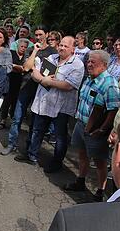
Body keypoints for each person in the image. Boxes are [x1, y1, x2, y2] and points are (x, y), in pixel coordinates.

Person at [15, 36, 84, 171]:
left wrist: (48, 82)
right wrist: (42, 80)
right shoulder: (51, 58)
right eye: (61, 45)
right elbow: (34, 72)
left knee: (60, 136)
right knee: (37, 130)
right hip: (44, 102)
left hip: (61, 107)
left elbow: (69, 85)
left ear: (73, 49)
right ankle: (31, 155)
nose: (62, 48)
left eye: (65, 46)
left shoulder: (77, 65)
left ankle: (56, 163)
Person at [62, 50, 120, 201]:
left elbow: (113, 110)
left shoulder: (110, 84)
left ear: (104, 65)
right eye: (88, 61)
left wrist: (102, 130)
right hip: (81, 124)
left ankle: (100, 191)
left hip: (95, 131)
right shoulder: (88, 79)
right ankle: (80, 181)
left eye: (93, 62)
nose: (89, 64)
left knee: (99, 161)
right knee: (82, 154)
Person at [1, 29, 57, 156]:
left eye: (40, 35)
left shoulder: (53, 52)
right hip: (25, 86)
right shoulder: (30, 49)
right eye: (36, 35)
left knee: (35, 121)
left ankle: (29, 147)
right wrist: (35, 51)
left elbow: (53, 72)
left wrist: (36, 71)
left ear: (46, 35)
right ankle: (11, 144)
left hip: (41, 90)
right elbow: (26, 67)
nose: (38, 37)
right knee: (17, 118)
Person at [0, 38, 29, 128]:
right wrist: (19, 68)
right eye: (21, 46)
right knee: (6, 101)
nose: (23, 48)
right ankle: (3, 120)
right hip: (9, 80)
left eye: (25, 47)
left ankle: (12, 119)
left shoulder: (26, 56)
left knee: (15, 102)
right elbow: (9, 65)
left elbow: (25, 68)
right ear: (18, 46)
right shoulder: (11, 53)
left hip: (20, 82)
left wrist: (15, 67)